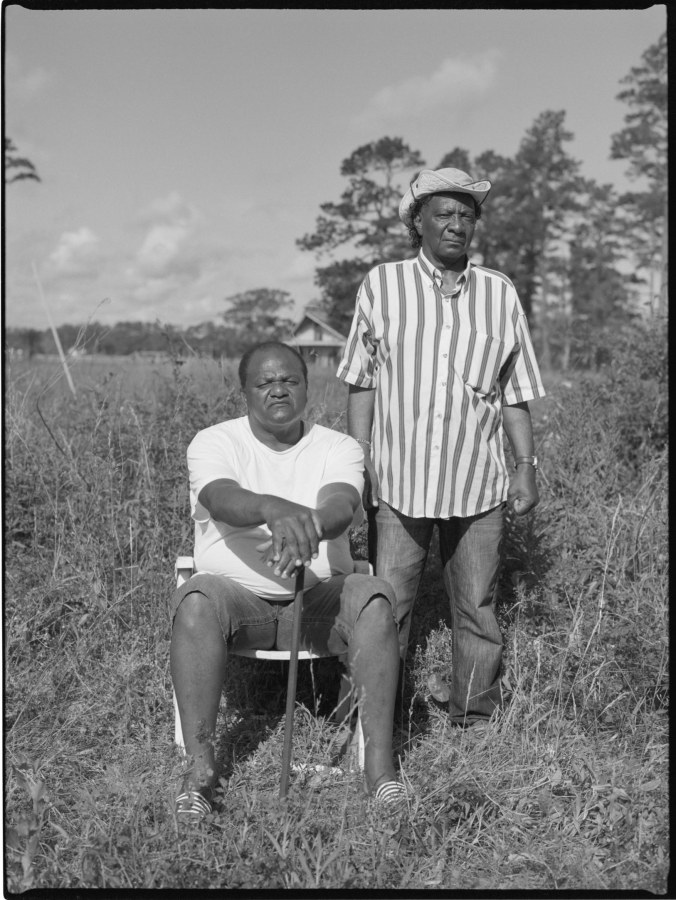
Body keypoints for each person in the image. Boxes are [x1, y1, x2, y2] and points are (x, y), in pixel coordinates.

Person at [336, 167, 546, 729]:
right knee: (387, 606)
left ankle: (473, 716)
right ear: (419, 222)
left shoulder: (499, 293)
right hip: (398, 481)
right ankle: (372, 720)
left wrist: (525, 466)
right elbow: (361, 380)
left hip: (478, 483)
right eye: (444, 214)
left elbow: (515, 391)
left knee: (477, 607)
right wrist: (360, 457)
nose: (456, 224)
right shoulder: (383, 286)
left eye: (466, 215)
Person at [170, 340, 404, 823]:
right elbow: (220, 497)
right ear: (245, 391)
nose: (278, 390)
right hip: (238, 602)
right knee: (195, 599)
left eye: (289, 380)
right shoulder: (213, 441)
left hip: (316, 601)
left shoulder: (338, 446)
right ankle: (200, 775)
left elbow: (341, 504)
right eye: (265, 382)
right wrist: (273, 509)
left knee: (376, 597)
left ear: (306, 387)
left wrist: (307, 527)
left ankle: (380, 772)